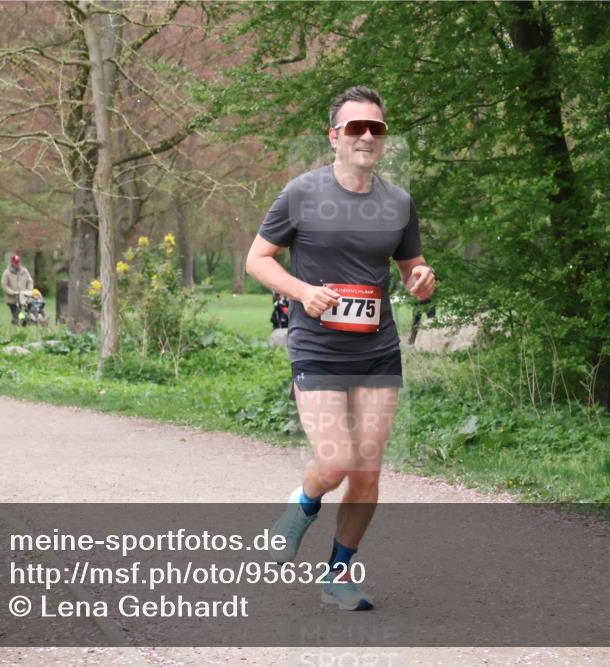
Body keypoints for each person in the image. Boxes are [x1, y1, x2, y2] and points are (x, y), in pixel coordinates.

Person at [245, 85, 436, 610]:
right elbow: (257, 260)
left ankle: (338, 577)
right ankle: (300, 507)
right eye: (356, 127)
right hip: (318, 347)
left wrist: (422, 280)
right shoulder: (302, 193)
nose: (367, 136)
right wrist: (303, 291)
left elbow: (410, 269)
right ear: (335, 137)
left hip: (377, 350)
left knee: (368, 470)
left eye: (376, 128)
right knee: (335, 464)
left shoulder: (398, 202)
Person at [0, 254, 34, 325]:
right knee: (17, 313)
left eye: (18, 262)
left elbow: (30, 281)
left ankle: (18, 322)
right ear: (12, 262)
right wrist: (11, 292)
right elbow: (4, 285)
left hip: (23, 297)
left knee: (24, 312)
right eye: (15, 262)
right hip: (12, 299)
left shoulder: (24, 271)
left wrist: (28, 290)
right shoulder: (7, 273)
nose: (17, 264)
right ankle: (17, 322)